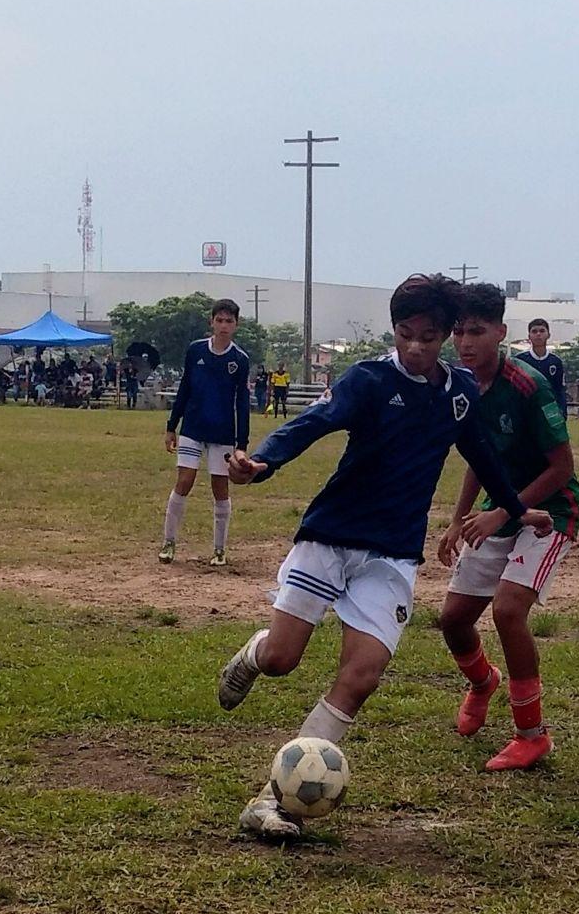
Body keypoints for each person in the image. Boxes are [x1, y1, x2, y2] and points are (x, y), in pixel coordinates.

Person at [216, 273, 552, 838]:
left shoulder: (459, 393)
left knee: (362, 675)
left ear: (446, 334)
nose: (415, 347)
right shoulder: (368, 380)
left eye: (428, 336)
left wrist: (518, 510)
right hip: (330, 537)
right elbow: (312, 423)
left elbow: (483, 457)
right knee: (281, 659)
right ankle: (254, 653)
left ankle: (273, 802)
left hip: (392, 555)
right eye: (404, 334)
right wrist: (263, 462)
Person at [437, 283, 579, 771]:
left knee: (507, 610)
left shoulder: (528, 385)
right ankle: (483, 682)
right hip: (499, 508)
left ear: (501, 332)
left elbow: (562, 468)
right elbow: (479, 457)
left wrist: (504, 512)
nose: (465, 342)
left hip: (552, 511)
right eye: (459, 331)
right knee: (453, 619)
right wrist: (457, 519)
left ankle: (531, 735)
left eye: (477, 331)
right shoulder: (460, 383)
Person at [160, 299, 251, 567]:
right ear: (211, 322)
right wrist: (171, 426)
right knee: (184, 481)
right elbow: (185, 388)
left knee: (220, 487)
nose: (223, 326)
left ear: (236, 325)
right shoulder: (195, 350)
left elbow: (242, 403)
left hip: (222, 433)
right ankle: (169, 542)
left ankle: (219, 549)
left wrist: (242, 444)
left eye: (229, 321)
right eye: (219, 320)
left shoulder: (240, 360)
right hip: (193, 427)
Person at [516, 318, 568, 416]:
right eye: (534, 331)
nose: (538, 334)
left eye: (542, 331)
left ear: (548, 335)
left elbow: (559, 390)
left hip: (549, 411)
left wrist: (562, 412)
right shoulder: (519, 360)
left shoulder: (556, 362)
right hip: (524, 411)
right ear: (529, 336)